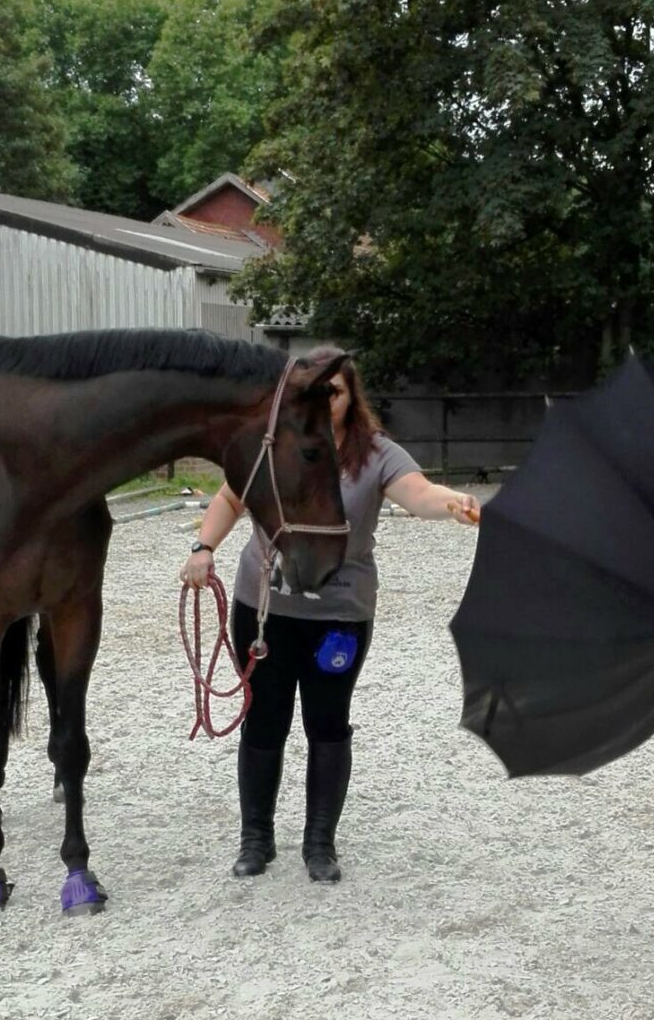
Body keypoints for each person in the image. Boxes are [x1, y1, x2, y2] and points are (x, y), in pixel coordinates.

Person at [180, 348, 479, 883]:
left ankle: (320, 843)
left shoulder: (376, 454)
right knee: (263, 716)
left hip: (339, 612)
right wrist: (204, 547)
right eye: (311, 393)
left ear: (350, 396)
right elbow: (229, 497)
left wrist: (452, 502)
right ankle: (257, 838)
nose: (323, 402)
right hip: (265, 608)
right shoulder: (270, 444)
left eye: (333, 392)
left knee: (327, 720)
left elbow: (419, 494)